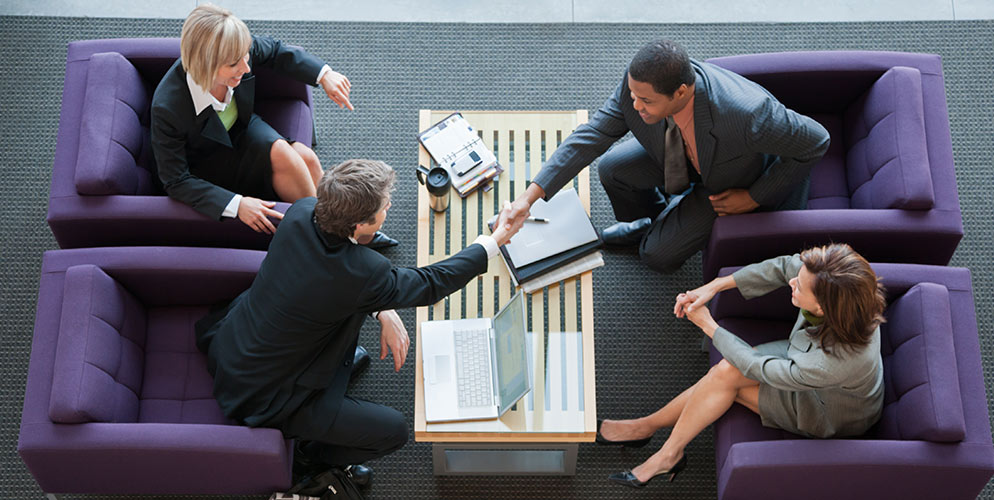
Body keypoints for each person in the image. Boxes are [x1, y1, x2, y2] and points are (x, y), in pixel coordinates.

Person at [194, 159, 522, 484]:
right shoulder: (364, 272)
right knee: (393, 430)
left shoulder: (301, 212)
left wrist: (382, 308)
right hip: (269, 396)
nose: (389, 206)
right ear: (360, 226)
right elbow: (429, 283)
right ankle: (311, 461)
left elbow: (336, 281)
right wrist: (493, 242)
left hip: (235, 342)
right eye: (383, 207)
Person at [499, 39, 830, 273]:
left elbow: (817, 141)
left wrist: (754, 197)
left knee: (656, 257)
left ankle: (660, 233)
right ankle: (654, 221)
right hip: (681, 154)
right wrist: (528, 199)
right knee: (612, 168)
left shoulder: (747, 115)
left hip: (731, 185)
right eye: (632, 95)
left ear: (681, 92)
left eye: (646, 101)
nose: (635, 105)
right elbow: (591, 136)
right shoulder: (640, 87)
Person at [597, 243, 885, 488]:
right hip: (802, 356)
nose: (791, 281)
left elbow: (759, 370)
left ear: (822, 309)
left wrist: (709, 326)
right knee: (725, 373)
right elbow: (781, 267)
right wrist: (713, 287)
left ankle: (661, 448)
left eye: (799, 285)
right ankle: (651, 436)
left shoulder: (832, 362)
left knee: (726, 378)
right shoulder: (836, 285)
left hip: (826, 409)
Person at [150, 4, 396, 248]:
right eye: (235, 64)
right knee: (286, 156)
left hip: (241, 130)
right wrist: (237, 204)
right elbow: (175, 180)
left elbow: (277, 51)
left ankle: (345, 227)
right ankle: (332, 236)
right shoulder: (168, 107)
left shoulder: (236, 49)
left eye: (246, 55)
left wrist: (324, 75)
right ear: (206, 64)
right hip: (208, 161)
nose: (246, 67)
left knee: (306, 157)